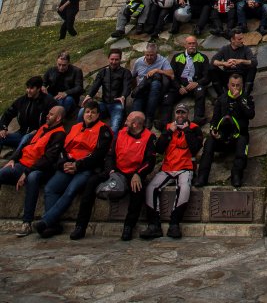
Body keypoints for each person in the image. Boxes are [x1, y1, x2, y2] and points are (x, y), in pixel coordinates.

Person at [71, 110, 156, 241]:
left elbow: (150, 161)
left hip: (133, 173)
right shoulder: (120, 133)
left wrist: (138, 174)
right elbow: (111, 154)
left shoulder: (149, 137)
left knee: (138, 190)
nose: (125, 121)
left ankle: (128, 226)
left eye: (128, 120)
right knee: (91, 183)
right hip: (115, 170)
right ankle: (80, 226)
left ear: (135, 124)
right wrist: (111, 170)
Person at [33, 100, 113, 238]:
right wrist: (64, 163)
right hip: (68, 165)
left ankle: (46, 221)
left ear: (98, 115)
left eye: (93, 113)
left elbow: (98, 154)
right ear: (83, 114)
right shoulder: (75, 127)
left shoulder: (103, 130)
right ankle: (53, 225)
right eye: (87, 112)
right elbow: (63, 148)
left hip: (86, 167)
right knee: (50, 188)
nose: (90, 115)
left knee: (71, 190)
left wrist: (78, 165)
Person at [0, 104, 66, 238]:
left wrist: (27, 172)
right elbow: (26, 145)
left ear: (58, 118)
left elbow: (48, 159)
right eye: (48, 113)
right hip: (22, 164)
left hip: (41, 169)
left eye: (51, 114)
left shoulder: (59, 134)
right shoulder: (43, 128)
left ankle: (27, 222)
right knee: (2, 173)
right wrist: (13, 159)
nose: (47, 116)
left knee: (32, 178)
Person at [140, 103, 204, 239]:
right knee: (151, 187)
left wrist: (186, 131)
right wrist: (169, 132)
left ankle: (174, 223)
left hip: (185, 167)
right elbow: (159, 148)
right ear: (175, 114)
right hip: (168, 167)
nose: (180, 116)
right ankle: (154, 225)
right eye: (178, 113)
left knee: (184, 188)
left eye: (183, 113)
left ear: (188, 115)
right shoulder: (168, 127)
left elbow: (195, 148)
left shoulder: (195, 128)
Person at [194, 73, 254, 188]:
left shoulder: (247, 98)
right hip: (221, 137)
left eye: (238, 85)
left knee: (243, 142)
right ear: (228, 85)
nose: (235, 88)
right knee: (209, 143)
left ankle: (236, 175)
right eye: (233, 85)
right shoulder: (221, 99)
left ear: (242, 85)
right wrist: (213, 131)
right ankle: (202, 177)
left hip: (238, 136)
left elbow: (251, 114)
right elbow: (215, 119)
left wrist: (240, 99)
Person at [80, 48, 131, 134]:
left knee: (115, 126)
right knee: (82, 112)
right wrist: (89, 95)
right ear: (108, 59)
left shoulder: (125, 72)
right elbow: (95, 85)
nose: (114, 62)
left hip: (117, 104)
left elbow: (127, 87)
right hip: (103, 103)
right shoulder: (103, 72)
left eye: (116, 59)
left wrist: (123, 96)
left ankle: (111, 146)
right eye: (112, 59)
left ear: (120, 59)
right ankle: (79, 133)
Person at [165, 36, 209, 124]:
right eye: (189, 43)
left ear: (197, 44)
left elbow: (207, 76)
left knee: (201, 91)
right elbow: (172, 75)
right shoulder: (177, 57)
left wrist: (197, 83)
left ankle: (198, 118)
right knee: (167, 97)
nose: (192, 46)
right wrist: (179, 87)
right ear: (185, 45)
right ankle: (164, 122)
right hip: (180, 86)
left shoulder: (203, 57)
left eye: (194, 43)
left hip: (195, 86)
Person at [0, 77, 53, 150]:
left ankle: (14, 159)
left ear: (38, 89)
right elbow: (7, 114)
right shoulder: (21, 101)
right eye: (27, 88)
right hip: (21, 134)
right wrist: (3, 128)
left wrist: (40, 131)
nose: (28, 91)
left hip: (38, 136)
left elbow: (55, 119)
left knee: (26, 138)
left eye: (31, 88)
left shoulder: (48, 101)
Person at [131, 42, 173, 128]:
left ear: (156, 54)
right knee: (135, 114)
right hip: (142, 89)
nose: (149, 57)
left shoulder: (162, 60)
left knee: (155, 83)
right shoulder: (139, 61)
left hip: (155, 89)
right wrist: (134, 88)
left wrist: (157, 70)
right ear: (144, 54)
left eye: (152, 55)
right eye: (147, 55)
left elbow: (171, 75)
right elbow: (132, 76)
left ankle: (149, 118)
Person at [210, 28, 257, 94]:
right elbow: (213, 61)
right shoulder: (225, 49)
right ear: (232, 40)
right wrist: (225, 63)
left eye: (242, 38)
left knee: (253, 67)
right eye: (239, 39)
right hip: (228, 76)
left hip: (242, 75)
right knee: (212, 68)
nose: (242, 41)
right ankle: (221, 96)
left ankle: (245, 96)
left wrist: (241, 61)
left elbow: (254, 62)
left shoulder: (246, 49)